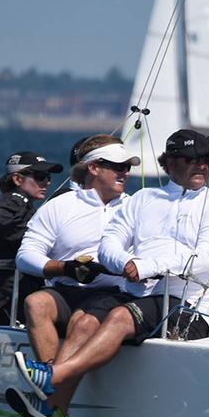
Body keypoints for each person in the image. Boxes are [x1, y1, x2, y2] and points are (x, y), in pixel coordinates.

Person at [6, 129, 209, 417]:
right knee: (83, 322)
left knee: (118, 316)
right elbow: (109, 244)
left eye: (206, 159)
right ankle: (56, 411)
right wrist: (125, 263)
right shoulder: (143, 199)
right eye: (191, 159)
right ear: (169, 164)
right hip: (139, 296)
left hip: (187, 305)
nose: (201, 165)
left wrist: (147, 266)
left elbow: (207, 257)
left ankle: (52, 377)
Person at [15, 135, 137, 364]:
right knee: (35, 303)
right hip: (66, 290)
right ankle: (49, 377)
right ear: (93, 167)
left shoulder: (135, 207)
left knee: (82, 322)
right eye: (118, 166)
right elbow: (24, 256)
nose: (126, 173)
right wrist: (65, 268)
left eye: (127, 167)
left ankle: (51, 385)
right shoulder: (60, 206)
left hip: (115, 295)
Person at [0, 151, 62, 325]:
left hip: (12, 293)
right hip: (7, 296)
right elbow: (1, 220)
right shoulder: (12, 201)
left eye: (48, 176)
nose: (47, 182)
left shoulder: (21, 203)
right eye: (40, 176)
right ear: (17, 179)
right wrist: (45, 242)